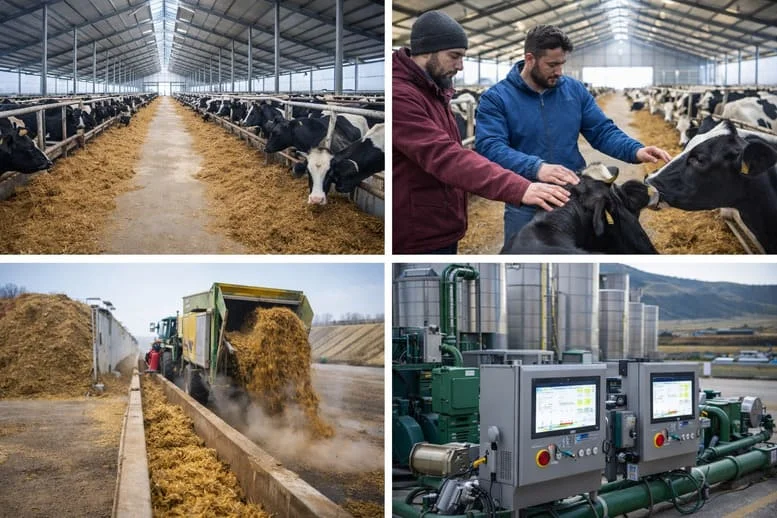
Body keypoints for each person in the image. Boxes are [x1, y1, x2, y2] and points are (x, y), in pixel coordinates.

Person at [475, 24, 672, 248]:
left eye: (562, 64)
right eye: (552, 64)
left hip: (576, 199)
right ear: (530, 59)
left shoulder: (574, 90)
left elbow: (601, 130)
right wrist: (537, 167)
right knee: (523, 251)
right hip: (527, 197)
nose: (559, 71)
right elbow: (490, 146)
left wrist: (635, 150)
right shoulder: (497, 98)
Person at [393, 10, 572, 254]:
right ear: (427, 51)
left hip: (438, 223)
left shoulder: (434, 88)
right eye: (454, 56)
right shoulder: (401, 96)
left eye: (463, 56)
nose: (460, 66)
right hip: (417, 232)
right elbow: (445, 155)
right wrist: (521, 187)